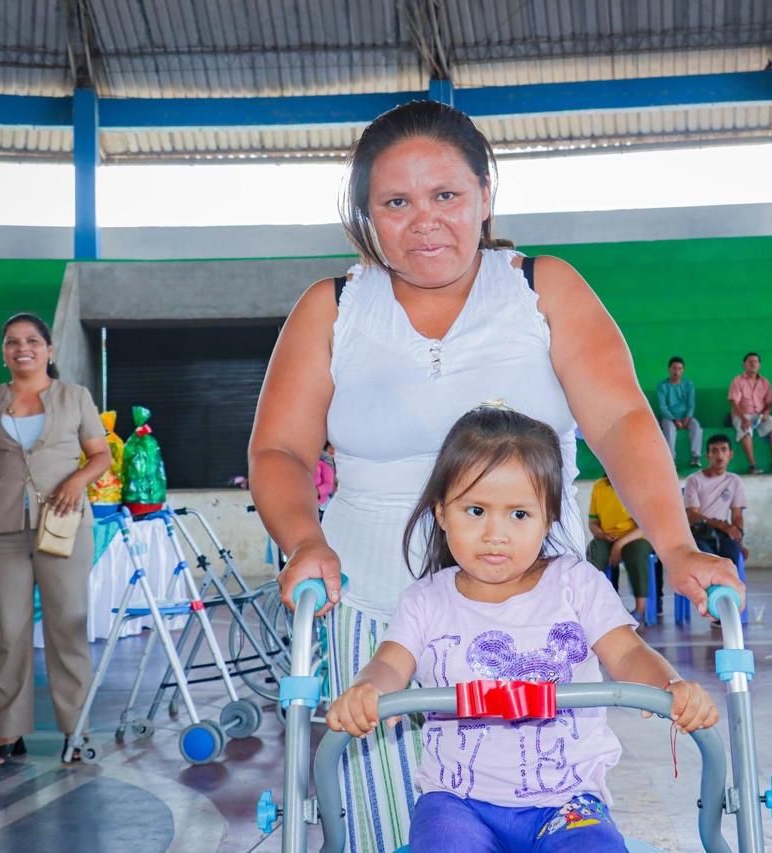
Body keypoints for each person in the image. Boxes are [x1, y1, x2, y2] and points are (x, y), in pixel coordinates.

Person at [248, 100, 741, 851]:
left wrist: (675, 545)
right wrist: (303, 541)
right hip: (376, 613)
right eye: (396, 202)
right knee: (390, 830)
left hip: (535, 613)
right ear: (366, 216)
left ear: (485, 195)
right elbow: (279, 450)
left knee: (543, 798)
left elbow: (620, 422)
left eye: (446, 194)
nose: (425, 221)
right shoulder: (334, 307)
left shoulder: (542, 288)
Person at [326, 406, 718, 853]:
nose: (496, 533)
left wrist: (668, 684)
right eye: (475, 510)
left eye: (519, 515)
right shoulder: (426, 600)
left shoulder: (575, 584)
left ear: (549, 518)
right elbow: (388, 664)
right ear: (441, 511)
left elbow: (627, 653)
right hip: (458, 802)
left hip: (568, 801)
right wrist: (367, 688)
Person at [0, 313, 111, 767]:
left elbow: (101, 456)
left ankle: (76, 731)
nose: (23, 349)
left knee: (68, 627)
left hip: (64, 526)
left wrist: (77, 482)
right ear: (3, 352)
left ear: (49, 350)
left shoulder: (76, 397)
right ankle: (6, 733)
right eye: (12, 342)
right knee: (9, 633)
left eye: (32, 340)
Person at [586, 476, 655, 622]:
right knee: (594, 550)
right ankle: (596, 607)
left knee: (636, 554)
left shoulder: (638, 486)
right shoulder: (599, 487)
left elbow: (647, 526)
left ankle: (640, 609)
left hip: (635, 537)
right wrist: (600, 534)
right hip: (607, 537)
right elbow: (593, 522)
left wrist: (619, 544)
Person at [684, 434, 748, 565]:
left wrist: (738, 539)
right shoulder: (694, 480)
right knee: (707, 557)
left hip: (723, 533)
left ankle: (729, 586)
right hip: (699, 532)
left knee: (731, 555)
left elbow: (737, 516)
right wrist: (722, 525)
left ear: (731, 454)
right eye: (714, 450)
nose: (720, 455)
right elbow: (692, 515)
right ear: (707, 456)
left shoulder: (734, 481)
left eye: (724, 450)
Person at [727, 352, 772, 474]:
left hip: (760, 415)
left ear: (759, 365)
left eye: (756, 361)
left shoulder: (765, 381)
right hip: (742, 414)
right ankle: (752, 465)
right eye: (750, 361)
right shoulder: (738, 380)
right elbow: (734, 402)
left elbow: (770, 402)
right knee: (746, 429)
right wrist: (743, 418)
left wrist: (767, 413)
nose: (753, 364)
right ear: (744, 364)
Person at [657, 356, 702, 468]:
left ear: (683, 370)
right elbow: (663, 407)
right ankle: (671, 459)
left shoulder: (688, 384)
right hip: (669, 418)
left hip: (686, 417)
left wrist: (688, 417)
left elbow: (691, 404)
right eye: (674, 368)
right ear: (669, 369)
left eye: (679, 368)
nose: (676, 371)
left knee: (696, 427)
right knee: (669, 429)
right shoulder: (662, 386)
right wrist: (674, 420)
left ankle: (695, 457)